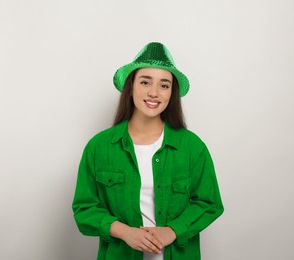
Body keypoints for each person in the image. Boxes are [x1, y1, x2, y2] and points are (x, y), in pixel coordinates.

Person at [72, 42, 224, 260]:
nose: (154, 93)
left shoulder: (192, 147)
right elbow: (84, 209)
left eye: (164, 85)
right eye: (145, 82)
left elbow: (209, 204)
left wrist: (172, 230)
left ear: (172, 93)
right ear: (131, 86)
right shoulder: (99, 147)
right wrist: (125, 232)